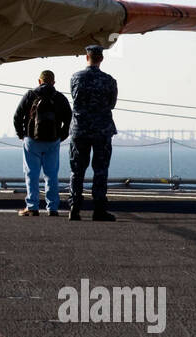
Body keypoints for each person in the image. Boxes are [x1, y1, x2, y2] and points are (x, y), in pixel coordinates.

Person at [68, 44, 118, 221]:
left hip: (80, 129)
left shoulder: (75, 77)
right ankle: (99, 210)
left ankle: (74, 208)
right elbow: (111, 104)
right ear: (101, 59)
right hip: (101, 130)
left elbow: (75, 99)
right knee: (100, 170)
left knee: (77, 170)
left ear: (86, 57)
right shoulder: (109, 81)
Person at [14, 70, 72, 216]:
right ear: (53, 82)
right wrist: (61, 136)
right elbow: (69, 117)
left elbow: (17, 116)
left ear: (39, 81)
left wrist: (22, 135)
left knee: (31, 174)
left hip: (32, 140)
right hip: (53, 140)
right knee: (51, 175)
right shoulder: (59, 97)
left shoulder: (30, 95)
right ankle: (52, 208)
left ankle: (32, 206)